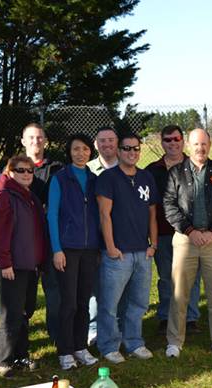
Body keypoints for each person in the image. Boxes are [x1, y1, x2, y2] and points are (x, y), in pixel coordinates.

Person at [164, 128, 212, 358]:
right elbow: (169, 205)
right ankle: (174, 341)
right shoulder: (176, 172)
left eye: (204, 144)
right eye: (196, 144)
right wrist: (189, 230)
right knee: (179, 294)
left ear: (210, 145)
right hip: (186, 241)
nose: (200, 148)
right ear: (188, 145)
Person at [96, 133, 159, 363]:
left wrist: (154, 244)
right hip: (118, 254)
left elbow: (152, 213)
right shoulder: (108, 178)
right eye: (126, 148)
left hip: (143, 252)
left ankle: (133, 342)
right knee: (110, 304)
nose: (131, 152)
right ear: (119, 151)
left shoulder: (146, 177)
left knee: (139, 302)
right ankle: (109, 345)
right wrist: (111, 248)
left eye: (135, 149)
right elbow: (105, 215)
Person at [0, 156, 47, 377]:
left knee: (23, 312)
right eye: (20, 170)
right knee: (11, 313)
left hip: (28, 265)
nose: (26, 174)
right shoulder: (4, 197)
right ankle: (4, 361)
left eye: (30, 170)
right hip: (10, 266)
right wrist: (5, 263)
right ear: (9, 172)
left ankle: (20, 356)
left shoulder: (28, 197)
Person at [48, 134, 101, 370]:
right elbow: (52, 215)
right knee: (68, 303)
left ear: (91, 152)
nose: (81, 153)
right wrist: (57, 249)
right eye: (76, 149)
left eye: (85, 149)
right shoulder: (60, 178)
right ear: (69, 152)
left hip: (90, 250)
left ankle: (80, 347)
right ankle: (65, 350)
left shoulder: (94, 178)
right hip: (67, 249)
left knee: (83, 301)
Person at [145, 125, 202, 336]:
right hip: (162, 232)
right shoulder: (152, 170)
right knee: (166, 277)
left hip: (190, 232)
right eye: (168, 140)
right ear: (162, 142)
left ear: (183, 141)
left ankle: (191, 317)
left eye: (176, 139)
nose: (172, 143)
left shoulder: (195, 166)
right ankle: (165, 317)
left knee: (192, 277)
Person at [20, 123, 63, 343]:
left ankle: (56, 335)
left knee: (53, 290)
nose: (36, 141)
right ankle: (21, 339)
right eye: (31, 137)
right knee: (24, 293)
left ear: (45, 141)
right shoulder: (15, 168)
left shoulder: (56, 168)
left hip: (49, 239)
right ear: (23, 141)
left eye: (39, 137)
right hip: (24, 242)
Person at [86, 126, 120, 346]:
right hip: (93, 238)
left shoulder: (129, 166)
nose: (107, 144)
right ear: (95, 144)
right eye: (102, 141)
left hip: (123, 238)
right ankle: (94, 328)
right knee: (94, 286)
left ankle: (119, 327)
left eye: (111, 140)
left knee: (120, 287)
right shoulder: (88, 170)